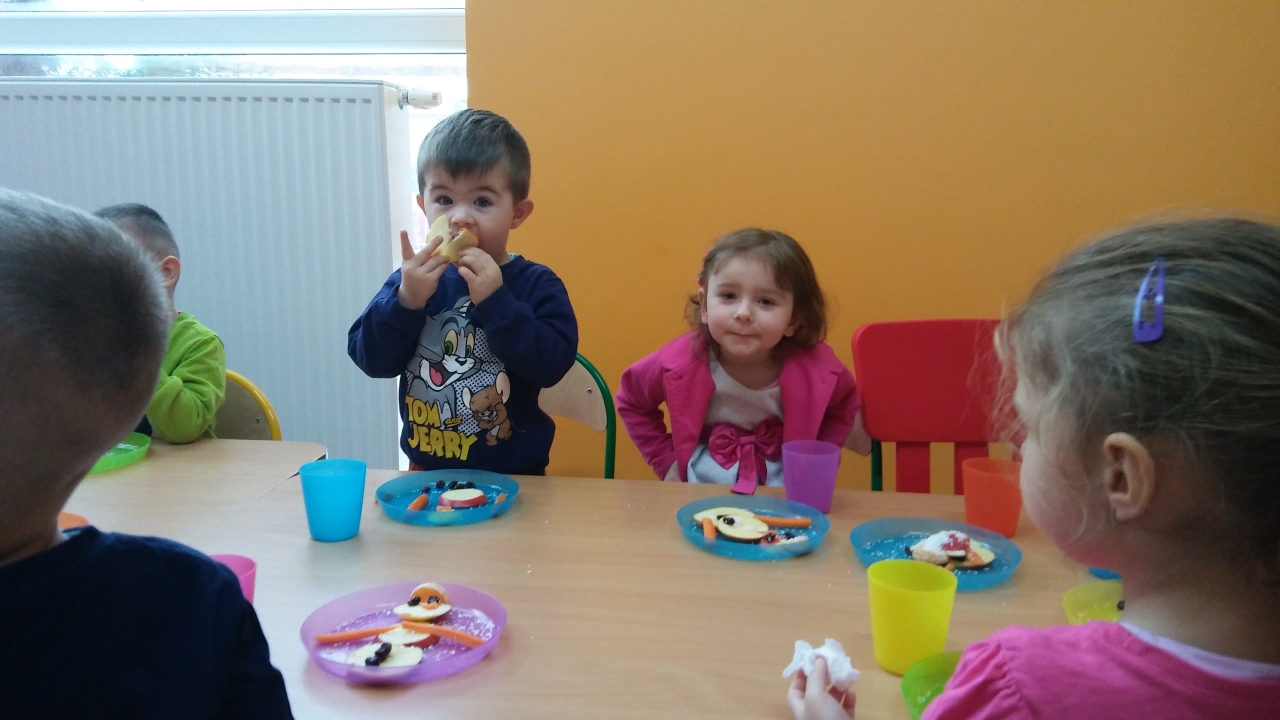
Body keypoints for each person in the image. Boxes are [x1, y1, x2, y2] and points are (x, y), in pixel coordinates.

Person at [0, 189, 293, 718]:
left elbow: (185, 424)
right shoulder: (194, 598)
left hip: (186, 499)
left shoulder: (197, 343)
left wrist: (129, 358)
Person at [348, 109, 578, 475]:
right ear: (423, 206)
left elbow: (551, 367)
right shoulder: (413, 282)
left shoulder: (536, 284)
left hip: (516, 477)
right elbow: (371, 360)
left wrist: (497, 302)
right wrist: (406, 302)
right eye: (444, 199)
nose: (460, 218)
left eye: (482, 202)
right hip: (427, 471)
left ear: (517, 214)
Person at [617, 229, 870, 492]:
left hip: (784, 491)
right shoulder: (681, 360)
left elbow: (843, 407)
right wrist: (665, 461)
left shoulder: (819, 368)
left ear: (794, 319)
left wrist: (814, 462)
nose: (743, 313)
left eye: (765, 301)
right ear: (704, 306)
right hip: (700, 489)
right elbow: (632, 400)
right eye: (729, 296)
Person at [94, 202, 227, 443]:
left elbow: (186, 427)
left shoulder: (201, 344)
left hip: (185, 465)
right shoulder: (94, 342)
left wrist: (137, 355)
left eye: (112, 270)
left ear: (165, 273)